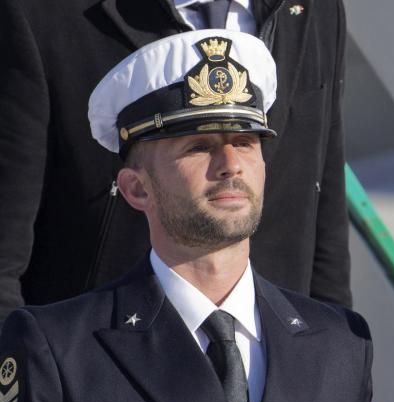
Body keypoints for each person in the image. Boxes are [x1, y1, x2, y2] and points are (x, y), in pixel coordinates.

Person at [0, 30, 372, 402]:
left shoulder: (341, 343)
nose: (231, 165)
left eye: (246, 143)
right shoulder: (58, 350)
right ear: (136, 189)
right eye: (199, 146)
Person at [0, 0, 351, 326]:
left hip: (277, 353)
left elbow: (324, 197)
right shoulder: (40, 13)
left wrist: (338, 352)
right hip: (102, 362)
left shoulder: (314, 7)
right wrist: (24, 378)